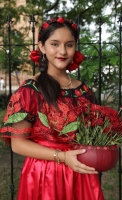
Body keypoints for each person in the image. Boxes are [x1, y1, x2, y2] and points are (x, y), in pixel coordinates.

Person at [0, 17, 104, 200]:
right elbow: (18, 144)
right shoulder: (30, 90)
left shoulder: (84, 90)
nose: (62, 51)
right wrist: (63, 157)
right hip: (43, 174)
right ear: (41, 46)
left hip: (80, 172)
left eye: (69, 45)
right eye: (54, 44)